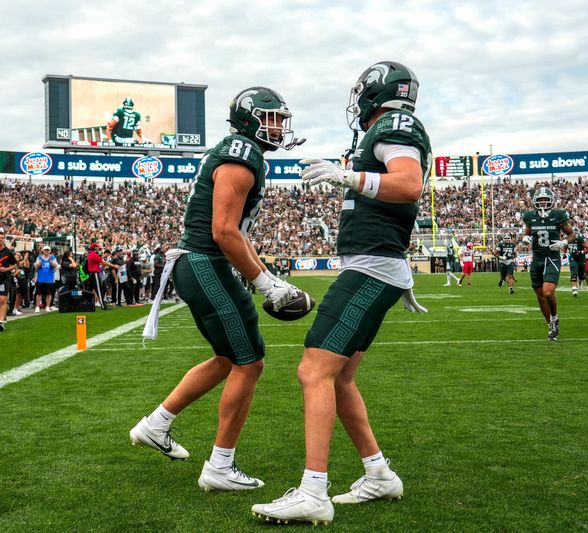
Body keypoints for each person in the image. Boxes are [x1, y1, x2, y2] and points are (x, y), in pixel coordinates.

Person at [252, 61, 431, 525]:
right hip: (374, 264)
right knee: (341, 376)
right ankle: (379, 474)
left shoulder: (395, 124)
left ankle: (314, 489)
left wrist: (348, 177)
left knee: (314, 370)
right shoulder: (384, 129)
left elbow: (409, 184)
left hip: (373, 266)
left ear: (375, 92)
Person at [130, 86, 302, 493]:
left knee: (228, 358)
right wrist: (263, 284)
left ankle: (156, 425)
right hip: (206, 262)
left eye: (280, 119)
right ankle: (220, 465)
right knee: (250, 363)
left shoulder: (239, 151)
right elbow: (224, 231)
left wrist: (268, 276)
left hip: (199, 263)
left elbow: (237, 234)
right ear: (249, 119)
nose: (278, 127)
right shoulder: (242, 156)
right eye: (271, 118)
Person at [521, 186, 574, 341]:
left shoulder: (558, 215)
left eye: (545, 200)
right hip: (537, 258)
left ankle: (555, 317)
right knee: (540, 296)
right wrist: (526, 238)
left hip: (552, 258)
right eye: (540, 200)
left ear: (551, 201)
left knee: (548, 292)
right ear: (535, 202)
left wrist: (564, 242)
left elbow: (572, 234)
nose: (543, 203)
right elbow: (528, 231)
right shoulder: (530, 216)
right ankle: (551, 324)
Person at [565, 229, 588, 297]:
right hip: (573, 258)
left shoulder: (580, 239)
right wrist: (564, 253)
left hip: (581, 259)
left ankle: (580, 280)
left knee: (582, 276)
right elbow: (565, 246)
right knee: (574, 273)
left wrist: (581, 252)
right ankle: (574, 289)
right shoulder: (568, 239)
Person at [34, 245, 58, 312]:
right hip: (40, 279)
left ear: (50, 251)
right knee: (39, 293)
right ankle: (37, 306)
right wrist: (41, 261)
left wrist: (50, 261)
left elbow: (55, 266)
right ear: (43, 251)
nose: (46, 251)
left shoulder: (52, 257)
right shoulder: (39, 257)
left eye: (48, 250)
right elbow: (36, 267)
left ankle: (47, 306)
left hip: (49, 279)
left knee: (49, 294)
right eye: (45, 250)